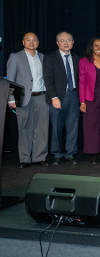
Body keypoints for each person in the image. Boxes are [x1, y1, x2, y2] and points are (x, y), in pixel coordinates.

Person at [6, 33, 49, 168]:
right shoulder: (15, 56)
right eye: (28, 40)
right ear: (23, 42)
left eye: (34, 40)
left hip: (42, 97)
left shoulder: (43, 57)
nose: (31, 43)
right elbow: (11, 79)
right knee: (24, 128)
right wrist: (11, 98)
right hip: (23, 97)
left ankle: (39, 157)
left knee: (42, 129)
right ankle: (24, 159)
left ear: (38, 42)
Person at [43, 32, 81, 165]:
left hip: (74, 96)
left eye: (68, 40)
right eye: (62, 40)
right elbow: (48, 79)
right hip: (57, 97)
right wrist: (53, 97)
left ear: (73, 42)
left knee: (73, 127)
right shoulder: (50, 57)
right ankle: (57, 154)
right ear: (57, 43)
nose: (66, 43)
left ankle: (70, 154)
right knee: (56, 128)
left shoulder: (77, 58)